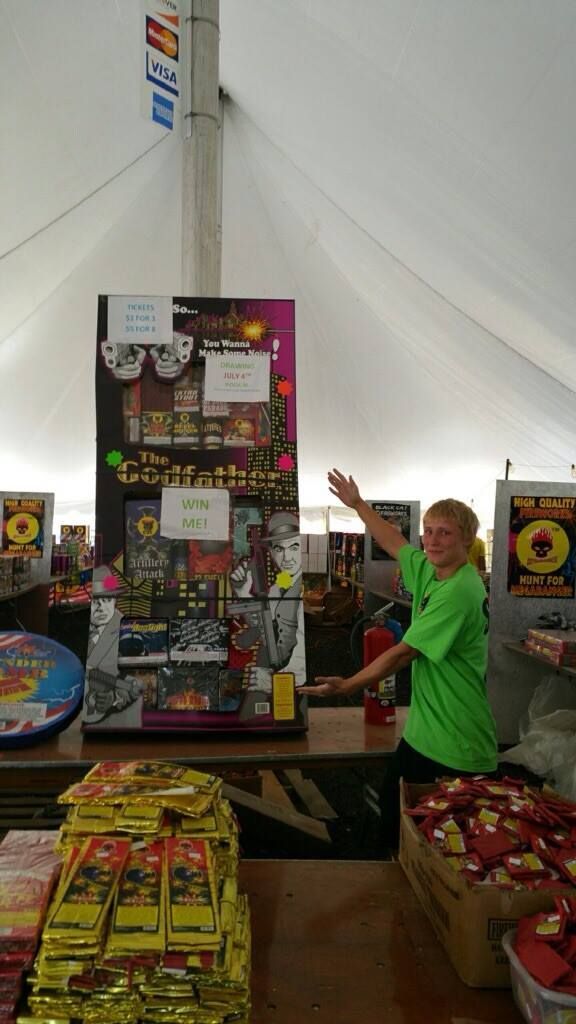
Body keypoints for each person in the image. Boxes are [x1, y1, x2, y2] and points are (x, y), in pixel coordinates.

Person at [300, 468, 498, 848]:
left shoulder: (459, 592)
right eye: (428, 530)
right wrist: (358, 504)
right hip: (426, 734)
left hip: (457, 743)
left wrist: (349, 684)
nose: (432, 540)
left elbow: (403, 653)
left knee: (446, 847)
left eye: (445, 533)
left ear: (468, 540)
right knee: (397, 830)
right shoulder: (431, 572)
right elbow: (393, 541)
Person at [230, 510, 305, 692]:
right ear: (271, 552)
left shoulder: (302, 586)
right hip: (271, 667)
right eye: (279, 549)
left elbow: (302, 647)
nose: (287, 558)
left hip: (288, 679)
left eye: (294, 547)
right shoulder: (282, 582)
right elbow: (264, 622)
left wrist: (278, 680)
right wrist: (243, 593)